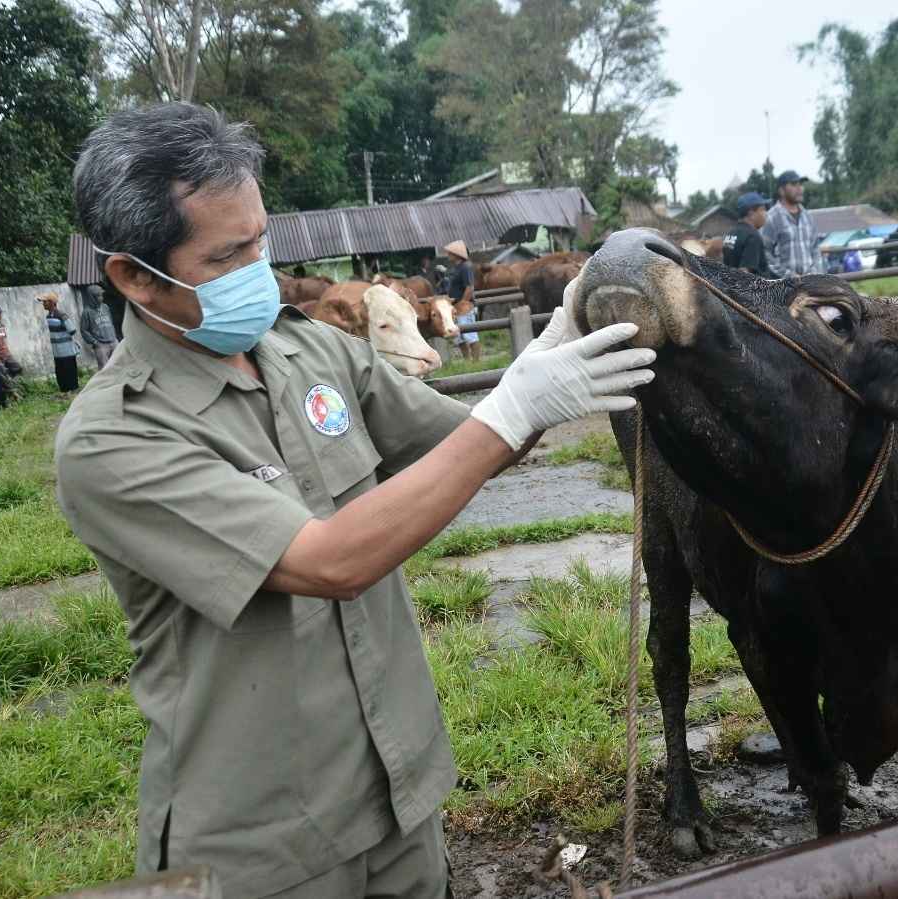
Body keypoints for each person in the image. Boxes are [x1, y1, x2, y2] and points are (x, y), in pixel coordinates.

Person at [55, 103, 652, 899]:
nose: (258, 273)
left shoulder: (308, 349)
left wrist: (543, 368)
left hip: (399, 788)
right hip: (263, 841)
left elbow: (470, 445)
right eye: (227, 256)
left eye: (261, 242)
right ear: (135, 277)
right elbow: (330, 561)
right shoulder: (113, 437)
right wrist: (515, 408)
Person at [762, 170, 818, 278]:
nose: (799, 188)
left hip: (810, 284)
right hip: (783, 287)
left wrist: (814, 273)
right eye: (793, 184)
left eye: (800, 184)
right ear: (781, 191)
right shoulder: (771, 218)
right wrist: (788, 276)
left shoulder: (808, 217)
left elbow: (815, 249)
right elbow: (765, 254)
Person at [439, 240, 480, 362]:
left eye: (450, 253)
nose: (448, 255)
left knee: (470, 335)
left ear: (456, 254)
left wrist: (463, 302)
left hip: (464, 306)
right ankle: (468, 361)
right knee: (459, 337)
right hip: (455, 306)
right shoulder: (456, 268)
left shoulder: (465, 267)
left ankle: (476, 362)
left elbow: (469, 287)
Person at [721, 191, 770, 276]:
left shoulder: (730, 233)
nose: (766, 214)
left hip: (727, 285)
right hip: (753, 288)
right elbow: (744, 274)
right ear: (751, 213)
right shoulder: (753, 236)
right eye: (762, 209)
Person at [41, 292, 81, 392]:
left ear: (52, 303)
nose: (43, 304)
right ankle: (64, 390)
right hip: (57, 351)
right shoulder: (49, 316)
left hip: (67, 350)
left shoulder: (61, 315)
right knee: (60, 372)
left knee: (69, 371)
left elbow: (72, 330)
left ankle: (73, 390)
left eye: (45, 302)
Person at [80, 284, 120, 369]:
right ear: (92, 297)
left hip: (113, 341)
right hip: (101, 345)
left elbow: (111, 322)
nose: (101, 298)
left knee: (119, 365)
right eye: (98, 296)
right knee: (104, 370)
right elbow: (84, 330)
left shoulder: (105, 307)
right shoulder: (87, 312)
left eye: (101, 295)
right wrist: (95, 342)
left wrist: (114, 337)